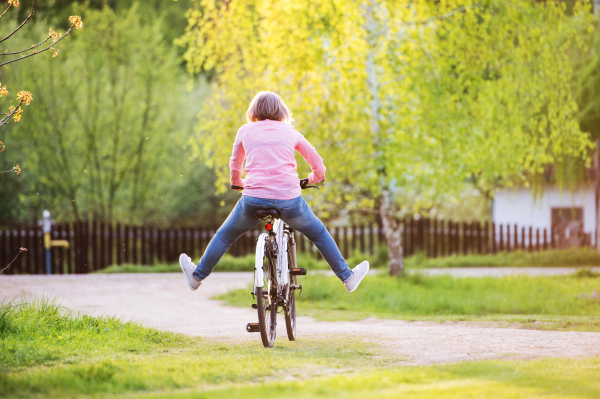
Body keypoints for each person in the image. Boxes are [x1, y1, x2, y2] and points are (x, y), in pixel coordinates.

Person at [179, 91, 369, 292]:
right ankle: (347, 277)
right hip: (289, 200)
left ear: (253, 111)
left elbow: (235, 165)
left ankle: (197, 276)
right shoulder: (290, 132)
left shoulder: (245, 131)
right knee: (319, 233)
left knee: (225, 236)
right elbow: (318, 166)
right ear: (282, 110)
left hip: (253, 199)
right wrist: (313, 179)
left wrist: (237, 183)